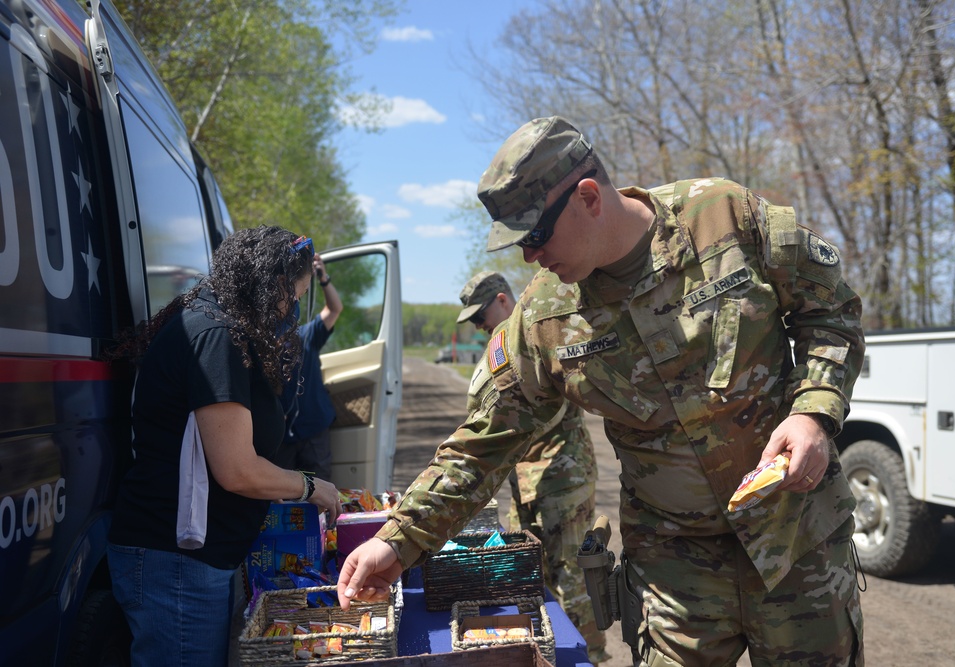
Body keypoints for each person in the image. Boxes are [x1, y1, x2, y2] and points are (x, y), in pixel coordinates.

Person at [338, 117, 866, 666]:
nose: (530, 258)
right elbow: (483, 441)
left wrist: (814, 413)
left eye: (536, 235)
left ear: (588, 197)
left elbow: (831, 310)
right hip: (675, 578)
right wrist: (398, 540)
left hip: (799, 544)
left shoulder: (724, 217)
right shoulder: (544, 318)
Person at [106, 227, 343, 667]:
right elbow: (237, 470)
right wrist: (309, 486)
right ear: (268, 282)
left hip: (191, 559)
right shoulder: (216, 336)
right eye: (292, 295)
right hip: (175, 561)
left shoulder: (215, 324)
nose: (290, 308)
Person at [456, 270, 607, 663]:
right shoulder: (502, 346)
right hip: (524, 482)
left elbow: (537, 416)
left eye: (480, 316)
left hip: (561, 478)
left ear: (503, 301)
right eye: (472, 321)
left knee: (572, 578)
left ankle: (589, 658)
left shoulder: (543, 333)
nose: (478, 326)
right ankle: (548, 653)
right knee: (525, 574)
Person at [275, 253, 344, 480]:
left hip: (314, 429)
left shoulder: (306, 335)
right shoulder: (259, 345)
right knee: (282, 496)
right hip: (280, 437)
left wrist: (323, 277)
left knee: (319, 492)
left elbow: (334, 309)